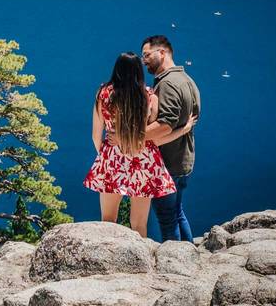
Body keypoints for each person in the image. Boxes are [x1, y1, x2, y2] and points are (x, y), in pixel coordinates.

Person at [84, 52, 196, 237]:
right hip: (143, 163)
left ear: (116, 69)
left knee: (108, 220)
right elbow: (152, 135)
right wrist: (183, 130)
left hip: (112, 160)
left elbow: (96, 135)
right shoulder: (149, 96)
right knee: (139, 225)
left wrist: (104, 157)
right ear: (138, 71)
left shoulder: (102, 93)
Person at [142, 34, 201, 242]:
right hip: (184, 161)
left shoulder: (168, 83)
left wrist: (135, 138)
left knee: (167, 218)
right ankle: (189, 254)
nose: (144, 60)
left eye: (147, 55)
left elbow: (165, 125)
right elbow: (194, 116)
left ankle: (176, 264)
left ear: (162, 52)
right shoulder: (188, 80)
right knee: (177, 212)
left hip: (167, 164)